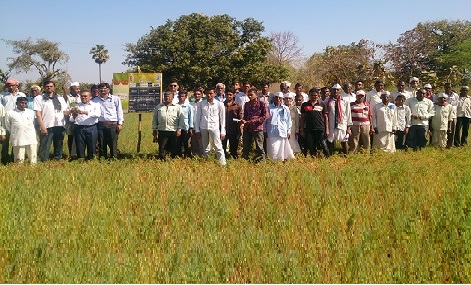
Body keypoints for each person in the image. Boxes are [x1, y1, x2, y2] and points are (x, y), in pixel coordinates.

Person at [34, 80, 69, 161]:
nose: (49, 88)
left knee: (59, 143)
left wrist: (73, 111)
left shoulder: (60, 98)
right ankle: (42, 160)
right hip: (47, 125)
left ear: (54, 87)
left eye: (51, 86)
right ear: (44, 87)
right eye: (47, 86)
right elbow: (38, 114)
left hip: (59, 125)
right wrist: (42, 127)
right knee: (45, 144)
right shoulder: (39, 98)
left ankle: (58, 158)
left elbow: (65, 112)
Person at [194, 87, 226, 165]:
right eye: (207, 93)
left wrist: (223, 131)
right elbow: (197, 117)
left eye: (211, 93)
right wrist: (197, 130)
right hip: (203, 127)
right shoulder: (201, 104)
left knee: (218, 146)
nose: (209, 95)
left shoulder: (219, 104)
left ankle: (223, 164)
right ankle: (207, 162)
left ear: (214, 94)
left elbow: (222, 119)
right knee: (205, 147)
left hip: (214, 127)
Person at [92, 82, 124, 159]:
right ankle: (103, 159)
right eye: (101, 88)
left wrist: (120, 124)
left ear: (109, 90)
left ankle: (114, 158)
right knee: (101, 143)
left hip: (112, 124)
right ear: (98, 90)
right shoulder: (95, 100)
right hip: (100, 124)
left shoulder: (115, 99)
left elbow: (119, 111)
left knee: (113, 143)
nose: (103, 90)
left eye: (105, 88)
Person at [152, 91, 184, 160]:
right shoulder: (159, 107)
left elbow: (181, 119)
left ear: (173, 97)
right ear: (163, 97)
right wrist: (154, 129)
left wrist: (179, 129)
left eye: (169, 96)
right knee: (162, 148)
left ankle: (174, 161)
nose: (167, 98)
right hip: (162, 130)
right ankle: (162, 160)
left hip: (173, 130)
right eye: (166, 96)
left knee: (174, 148)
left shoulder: (177, 107)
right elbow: (155, 118)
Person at [4, 97, 37, 164]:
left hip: (30, 135)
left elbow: (33, 123)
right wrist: (16, 130)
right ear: (16, 103)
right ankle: (19, 167)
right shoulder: (10, 113)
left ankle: (33, 166)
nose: (23, 104)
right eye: (21, 103)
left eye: (25, 103)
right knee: (19, 154)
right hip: (18, 136)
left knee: (32, 152)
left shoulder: (31, 112)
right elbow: (7, 125)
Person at [1, 78, 26, 164]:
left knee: (16, 140)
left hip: (17, 120)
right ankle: (4, 159)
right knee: (5, 140)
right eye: (9, 85)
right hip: (5, 120)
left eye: (13, 85)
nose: (11, 87)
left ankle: (14, 158)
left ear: (17, 85)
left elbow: (24, 107)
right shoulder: (3, 95)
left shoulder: (21, 95)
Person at [299, 87, 330, 158]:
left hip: (320, 128)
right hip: (310, 128)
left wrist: (327, 129)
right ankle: (314, 158)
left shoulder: (322, 104)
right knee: (311, 145)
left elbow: (325, 117)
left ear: (318, 95)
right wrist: (301, 129)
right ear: (309, 95)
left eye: (315, 95)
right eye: (312, 95)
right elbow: (303, 118)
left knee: (323, 144)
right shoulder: (305, 105)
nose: (314, 97)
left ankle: (328, 158)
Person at [70, 91, 100, 160]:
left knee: (92, 145)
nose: (83, 97)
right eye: (82, 96)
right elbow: (71, 119)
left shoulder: (95, 105)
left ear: (90, 97)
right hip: (79, 128)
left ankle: (91, 159)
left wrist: (84, 112)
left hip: (91, 127)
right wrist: (74, 115)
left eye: (85, 96)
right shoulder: (76, 106)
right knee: (80, 145)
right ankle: (81, 159)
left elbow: (97, 114)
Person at [264, 92, 295, 161]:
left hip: (282, 131)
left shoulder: (285, 108)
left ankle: (281, 160)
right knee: (273, 148)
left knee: (281, 148)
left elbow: (288, 121)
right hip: (271, 131)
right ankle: (272, 161)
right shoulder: (269, 108)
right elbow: (265, 120)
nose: (278, 99)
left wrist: (289, 131)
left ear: (282, 99)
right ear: (274, 98)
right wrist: (265, 130)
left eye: (280, 98)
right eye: (276, 97)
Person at [241, 88, 269, 162]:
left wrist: (253, 121)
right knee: (246, 145)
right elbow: (245, 115)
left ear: (256, 95)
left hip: (257, 128)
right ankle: (245, 160)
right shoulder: (247, 104)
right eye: (248, 95)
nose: (249, 96)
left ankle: (262, 161)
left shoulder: (262, 104)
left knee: (259, 146)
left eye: (251, 95)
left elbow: (266, 116)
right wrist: (243, 120)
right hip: (247, 128)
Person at [324, 84, 352, 155]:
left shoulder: (345, 100)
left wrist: (348, 128)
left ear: (340, 91)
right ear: (331, 91)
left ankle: (346, 155)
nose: (336, 91)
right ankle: (331, 156)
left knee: (344, 140)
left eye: (337, 90)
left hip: (342, 124)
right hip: (331, 124)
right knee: (330, 140)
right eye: (334, 90)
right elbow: (325, 114)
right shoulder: (327, 101)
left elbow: (348, 114)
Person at [439, 82, 460, 148]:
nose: (448, 88)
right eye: (446, 87)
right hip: (444, 115)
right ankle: (442, 144)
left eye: (449, 87)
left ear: (451, 88)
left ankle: (450, 145)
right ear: (444, 87)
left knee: (452, 130)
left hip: (453, 115)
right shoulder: (441, 94)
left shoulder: (455, 95)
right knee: (443, 130)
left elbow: (456, 104)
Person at [223, 88, 242, 159]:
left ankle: (234, 160)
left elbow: (240, 118)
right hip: (223, 129)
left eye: (230, 95)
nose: (229, 96)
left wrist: (240, 129)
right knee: (222, 147)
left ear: (234, 95)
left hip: (234, 129)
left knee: (233, 147)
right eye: (227, 94)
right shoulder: (221, 105)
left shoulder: (237, 105)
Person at [64, 82, 81, 159]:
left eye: (79, 88)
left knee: (79, 137)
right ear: (71, 89)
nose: (78, 90)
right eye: (76, 88)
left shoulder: (81, 97)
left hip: (80, 120)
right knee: (70, 137)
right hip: (70, 120)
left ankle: (78, 153)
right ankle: (71, 153)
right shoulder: (67, 97)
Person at [176, 90, 194, 158]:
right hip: (177, 127)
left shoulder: (188, 106)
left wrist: (191, 128)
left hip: (186, 127)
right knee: (178, 142)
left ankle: (188, 155)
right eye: (180, 96)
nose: (181, 98)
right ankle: (179, 155)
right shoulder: (176, 106)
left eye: (182, 96)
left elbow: (190, 117)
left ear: (186, 97)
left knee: (187, 142)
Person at [190, 89, 204, 156]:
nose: (197, 96)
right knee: (194, 142)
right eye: (195, 94)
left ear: (201, 95)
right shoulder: (191, 104)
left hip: (201, 126)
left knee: (201, 142)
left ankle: (202, 155)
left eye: (198, 94)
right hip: (193, 126)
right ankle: (195, 156)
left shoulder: (203, 103)